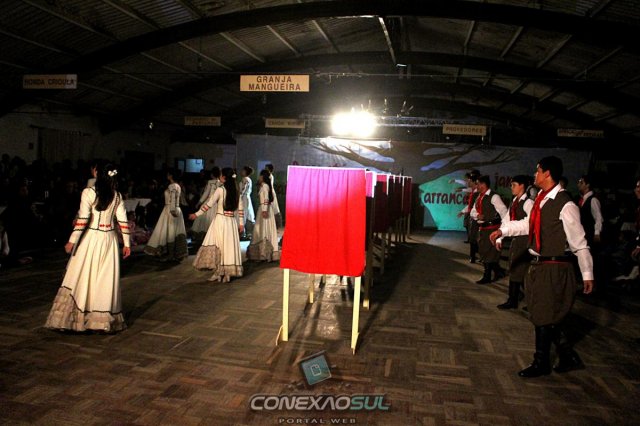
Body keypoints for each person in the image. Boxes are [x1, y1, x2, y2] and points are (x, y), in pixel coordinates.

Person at [490, 156, 594, 378]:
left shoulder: (566, 204)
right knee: (542, 312)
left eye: (538, 171)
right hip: (539, 266)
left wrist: (587, 273)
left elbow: (579, 243)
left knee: (544, 314)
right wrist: (503, 231)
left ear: (547, 173)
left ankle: (542, 362)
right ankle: (566, 355)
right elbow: (529, 224)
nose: (535, 175)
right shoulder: (541, 199)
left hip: (554, 266)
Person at [44, 164, 131, 333]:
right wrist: (126, 243)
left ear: (98, 174)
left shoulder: (89, 192)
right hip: (109, 240)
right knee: (104, 278)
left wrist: (72, 240)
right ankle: (99, 321)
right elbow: (123, 221)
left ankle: (84, 316)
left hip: (92, 238)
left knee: (84, 276)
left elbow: (83, 219)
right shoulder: (117, 196)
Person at [189, 167, 244, 282]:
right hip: (231, 222)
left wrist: (196, 214)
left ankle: (220, 272)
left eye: (221, 175)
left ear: (224, 177)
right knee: (227, 247)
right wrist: (241, 223)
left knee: (218, 246)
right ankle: (226, 273)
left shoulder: (221, 190)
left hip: (220, 221)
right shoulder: (236, 190)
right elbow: (240, 209)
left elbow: (208, 204)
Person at [495, 175, 533, 309]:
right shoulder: (515, 201)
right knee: (515, 269)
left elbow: (530, 223)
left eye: (514, 185)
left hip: (525, 241)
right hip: (516, 240)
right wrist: (499, 237)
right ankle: (515, 298)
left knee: (520, 271)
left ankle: (517, 300)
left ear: (522, 186)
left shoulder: (528, 203)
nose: (511, 187)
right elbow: (506, 220)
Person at [144, 169, 188, 261]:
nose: (167, 175)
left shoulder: (172, 186)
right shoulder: (177, 186)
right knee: (172, 232)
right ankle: (173, 253)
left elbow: (173, 198)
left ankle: (170, 254)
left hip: (171, 210)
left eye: (168, 174)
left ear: (171, 175)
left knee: (170, 232)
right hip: (175, 209)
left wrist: (172, 210)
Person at [472, 175, 508, 284]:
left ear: (483, 184)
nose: (476, 186)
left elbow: (504, 212)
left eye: (478, 184)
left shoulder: (494, 197)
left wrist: (503, 229)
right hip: (482, 229)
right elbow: (473, 211)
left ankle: (487, 276)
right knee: (484, 251)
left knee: (489, 253)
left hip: (492, 229)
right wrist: (477, 215)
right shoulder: (479, 197)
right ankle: (499, 271)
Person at [247, 169, 280, 262]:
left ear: (263, 177)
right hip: (264, 209)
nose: (259, 177)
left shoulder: (265, 186)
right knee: (262, 229)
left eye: (260, 176)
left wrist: (264, 210)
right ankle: (263, 252)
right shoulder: (264, 186)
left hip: (264, 209)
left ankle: (264, 253)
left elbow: (266, 199)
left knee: (263, 229)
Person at [190, 167, 221, 243]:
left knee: (203, 221)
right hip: (217, 204)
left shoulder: (210, 182)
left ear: (212, 174)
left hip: (208, 202)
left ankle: (203, 239)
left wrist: (199, 203)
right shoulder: (221, 183)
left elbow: (205, 194)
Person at [457, 170, 480, 262]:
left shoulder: (477, 192)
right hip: (473, 217)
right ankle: (473, 256)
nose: (467, 183)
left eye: (469, 181)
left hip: (477, 218)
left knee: (474, 238)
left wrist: (463, 211)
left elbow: (472, 206)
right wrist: (463, 211)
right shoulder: (474, 191)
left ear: (474, 182)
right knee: (473, 238)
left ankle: (474, 256)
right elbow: (471, 205)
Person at [577, 175, 604, 248]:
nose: (578, 185)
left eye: (581, 183)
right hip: (582, 234)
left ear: (587, 185)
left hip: (589, 234)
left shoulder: (593, 200)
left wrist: (597, 233)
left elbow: (598, 217)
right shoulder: (582, 200)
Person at [240, 166, 255, 240]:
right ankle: (249, 233)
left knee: (243, 214)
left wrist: (240, 195)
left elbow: (243, 189)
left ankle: (242, 233)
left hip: (244, 198)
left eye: (243, 170)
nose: (241, 171)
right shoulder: (249, 179)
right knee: (248, 215)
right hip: (247, 198)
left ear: (245, 171)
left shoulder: (245, 179)